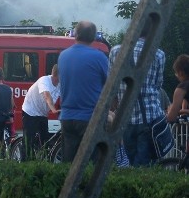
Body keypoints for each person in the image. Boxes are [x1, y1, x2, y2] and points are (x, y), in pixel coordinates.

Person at [108, 27, 165, 166]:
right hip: (149, 117)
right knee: (146, 165)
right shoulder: (158, 54)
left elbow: (111, 84)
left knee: (129, 162)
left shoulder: (116, 51)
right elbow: (157, 86)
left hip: (125, 117)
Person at [58, 20, 108, 163]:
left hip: (67, 117)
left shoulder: (63, 56)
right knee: (92, 165)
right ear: (93, 37)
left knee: (69, 165)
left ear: (76, 35)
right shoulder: (99, 57)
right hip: (90, 117)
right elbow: (110, 86)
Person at [20, 64, 60, 159]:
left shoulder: (61, 84)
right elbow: (47, 95)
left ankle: (42, 160)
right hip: (30, 111)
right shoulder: (44, 80)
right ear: (57, 75)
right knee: (29, 139)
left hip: (42, 113)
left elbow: (66, 97)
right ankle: (25, 163)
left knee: (45, 139)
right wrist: (53, 109)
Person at [166, 54, 189, 127]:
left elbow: (171, 117)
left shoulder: (182, 87)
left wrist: (170, 111)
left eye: (176, 73)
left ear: (180, 72)